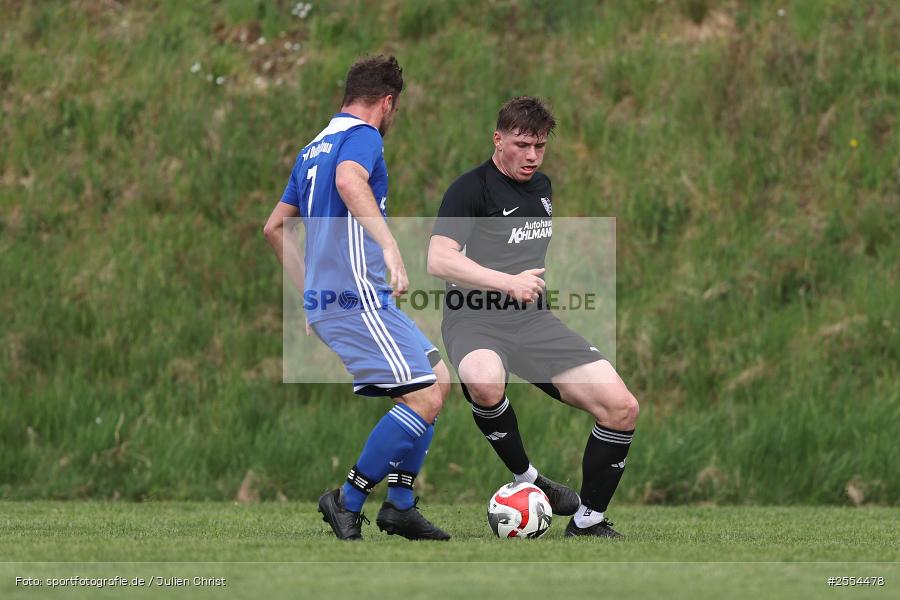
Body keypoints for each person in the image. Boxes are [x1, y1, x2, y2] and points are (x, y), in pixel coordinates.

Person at [427, 97, 639, 538]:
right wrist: (507, 283)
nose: (531, 156)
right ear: (497, 139)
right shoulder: (470, 189)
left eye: (539, 146)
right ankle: (529, 479)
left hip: (532, 322)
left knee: (622, 408)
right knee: (484, 381)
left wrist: (520, 291)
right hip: (474, 319)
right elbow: (438, 260)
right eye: (522, 144)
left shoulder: (542, 187)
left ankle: (587, 521)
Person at [264, 55, 450, 542]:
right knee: (425, 395)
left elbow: (274, 228)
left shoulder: (310, 149)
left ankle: (401, 506)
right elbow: (350, 181)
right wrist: (390, 244)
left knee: (439, 379)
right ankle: (347, 500)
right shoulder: (362, 136)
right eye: (396, 108)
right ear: (386, 102)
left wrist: (308, 292)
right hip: (357, 299)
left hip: (346, 300)